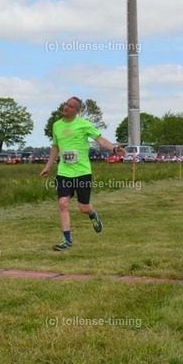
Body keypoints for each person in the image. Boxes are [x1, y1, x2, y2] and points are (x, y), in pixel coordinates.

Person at [39, 96, 126, 251]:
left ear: (77, 111)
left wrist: (114, 149)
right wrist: (48, 166)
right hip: (64, 172)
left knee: (83, 207)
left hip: (82, 172)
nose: (66, 107)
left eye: (71, 106)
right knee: (62, 203)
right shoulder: (56, 125)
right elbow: (55, 147)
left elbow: (100, 140)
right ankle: (67, 240)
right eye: (66, 104)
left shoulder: (84, 124)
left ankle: (93, 215)